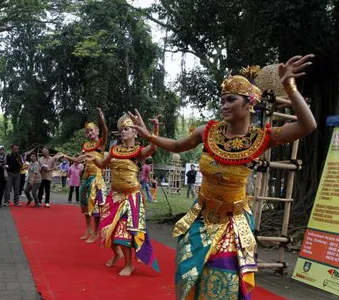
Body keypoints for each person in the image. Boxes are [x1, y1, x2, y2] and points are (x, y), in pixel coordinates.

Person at [129, 55, 317, 299]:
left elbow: (307, 125)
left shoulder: (261, 138)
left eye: (231, 100)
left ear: (249, 103)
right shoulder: (207, 132)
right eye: (222, 100)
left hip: (232, 224)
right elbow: (176, 145)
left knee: (222, 282)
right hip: (200, 219)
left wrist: (289, 87)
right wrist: (150, 136)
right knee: (188, 276)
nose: (224, 105)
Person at [85, 114, 160, 277]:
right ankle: (117, 254)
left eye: (126, 129)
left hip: (131, 196)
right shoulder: (114, 150)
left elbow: (153, 147)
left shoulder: (139, 151)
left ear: (135, 133)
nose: (122, 132)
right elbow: (102, 164)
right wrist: (92, 159)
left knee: (124, 230)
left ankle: (129, 264)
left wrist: (155, 129)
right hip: (115, 196)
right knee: (106, 227)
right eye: (121, 130)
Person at [59, 108, 108, 242]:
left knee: (96, 205)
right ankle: (88, 229)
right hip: (85, 177)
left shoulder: (101, 143)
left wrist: (102, 121)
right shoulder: (85, 146)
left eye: (92, 130)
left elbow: (106, 132)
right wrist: (66, 156)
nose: (90, 132)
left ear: (97, 131)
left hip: (96, 178)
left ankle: (96, 232)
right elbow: (78, 160)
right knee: (85, 204)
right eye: (87, 131)